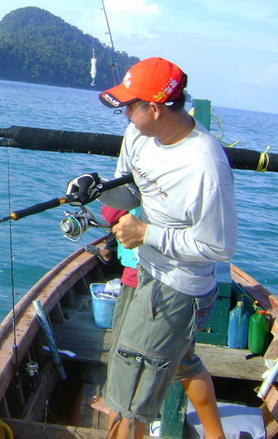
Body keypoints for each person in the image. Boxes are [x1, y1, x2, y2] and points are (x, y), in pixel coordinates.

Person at [66, 57, 237, 439]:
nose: (125, 113)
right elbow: (129, 191)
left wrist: (149, 234)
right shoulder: (138, 135)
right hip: (145, 272)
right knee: (179, 362)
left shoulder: (205, 165)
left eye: (130, 105)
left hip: (178, 288)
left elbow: (219, 247)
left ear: (155, 108)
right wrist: (94, 188)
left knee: (129, 398)